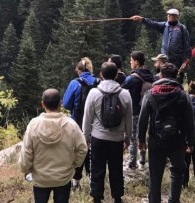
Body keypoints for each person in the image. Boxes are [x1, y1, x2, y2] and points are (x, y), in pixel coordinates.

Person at [138, 63, 195, 203]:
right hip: (177, 139)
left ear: (161, 75)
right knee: (177, 171)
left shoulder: (150, 94)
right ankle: (173, 200)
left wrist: (141, 140)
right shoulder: (183, 95)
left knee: (155, 175)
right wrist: (191, 142)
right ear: (176, 76)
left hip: (155, 139)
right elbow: (190, 121)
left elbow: (142, 119)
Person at [20, 89, 89, 203]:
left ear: (42, 104)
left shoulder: (33, 124)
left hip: (40, 177)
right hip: (63, 177)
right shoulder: (71, 124)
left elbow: (26, 151)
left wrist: (25, 169)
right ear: (60, 104)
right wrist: (74, 164)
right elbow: (82, 149)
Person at [82, 62, 133, 203]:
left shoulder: (94, 93)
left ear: (101, 74)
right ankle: (117, 197)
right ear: (117, 74)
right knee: (116, 168)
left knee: (97, 168)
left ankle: (97, 197)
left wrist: (85, 137)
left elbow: (87, 118)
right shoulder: (125, 94)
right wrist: (128, 137)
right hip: (117, 139)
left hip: (98, 137)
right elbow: (129, 119)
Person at [62, 57, 99, 188]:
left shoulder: (74, 83)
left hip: (77, 122)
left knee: (77, 151)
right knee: (92, 151)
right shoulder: (98, 82)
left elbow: (66, 104)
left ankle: (76, 181)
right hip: (96, 124)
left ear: (79, 70)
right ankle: (92, 179)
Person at [130, 9, 191, 83]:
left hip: (177, 59)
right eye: (168, 15)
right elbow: (153, 24)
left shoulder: (182, 28)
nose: (168, 16)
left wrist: (186, 59)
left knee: (177, 78)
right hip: (164, 58)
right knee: (162, 77)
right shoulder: (165, 26)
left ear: (176, 17)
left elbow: (187, 44)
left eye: (171, 15)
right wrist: (142, 19)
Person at [121, 51, 155, 168]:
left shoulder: (132, 78)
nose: (130, 62)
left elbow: (120, 89)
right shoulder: (150, 76)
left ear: (136, 62)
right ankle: (143, 158)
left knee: (133, 137)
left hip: (135, 111)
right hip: (148, 111)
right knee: (144, 134)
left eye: (131, 60)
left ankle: (132, 162)